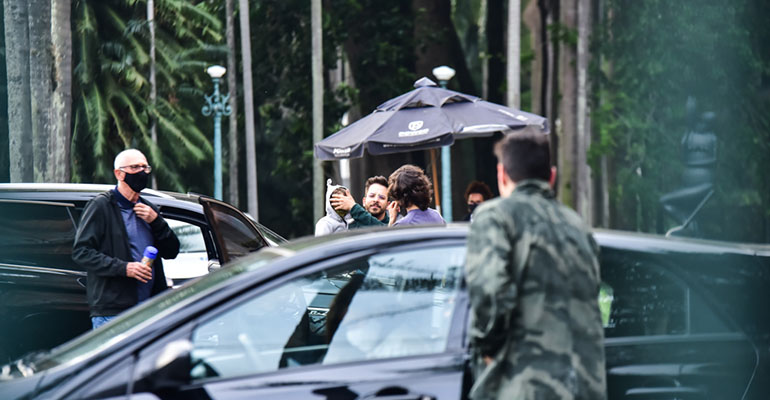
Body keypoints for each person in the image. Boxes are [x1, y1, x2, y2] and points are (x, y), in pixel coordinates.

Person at [465, 132, 606, 400]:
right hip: (585, 387)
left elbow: (490, 293)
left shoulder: (494, 217)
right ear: (551, 176)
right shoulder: (578, 226)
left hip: (525, 386)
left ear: (501, 174)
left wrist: (487, 350)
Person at [72, 149, 180, 330]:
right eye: (135, 167)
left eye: (145, 167)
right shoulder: (101, 206)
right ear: (119, 173)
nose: (142, 172)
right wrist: (125, 268)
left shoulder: (148, 209)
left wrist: (156, 221)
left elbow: (172, 251)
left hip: (148, 309)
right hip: (114, 311)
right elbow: (81, 252)